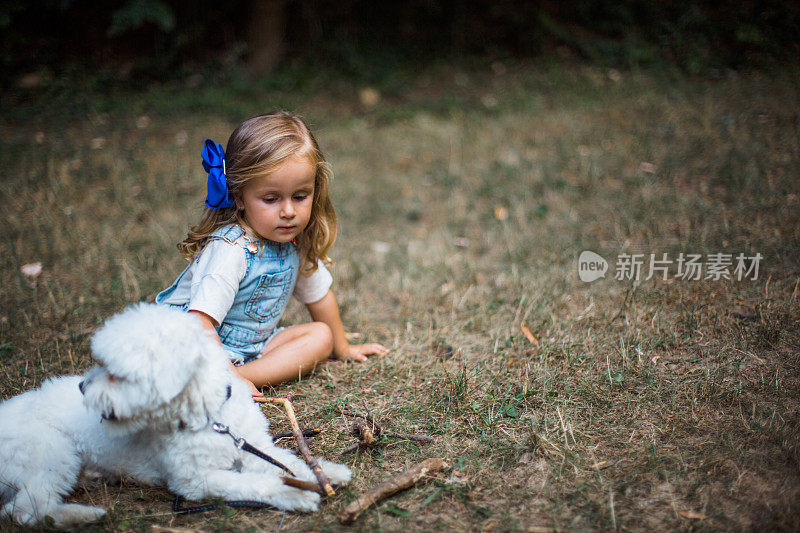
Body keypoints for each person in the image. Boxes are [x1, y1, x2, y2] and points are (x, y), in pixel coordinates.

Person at [156, 112, 388, 397]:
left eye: (300, 196)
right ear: (239, 196)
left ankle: (236, 378)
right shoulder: (230, 250)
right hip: (193, 344)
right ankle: (220, 377)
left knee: (320, 336)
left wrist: (343, 348)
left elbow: (320, 297)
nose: (288, 211)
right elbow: (199, 323)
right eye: (271, 199)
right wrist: (221, 367)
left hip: (250, 350)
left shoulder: (295, 244)